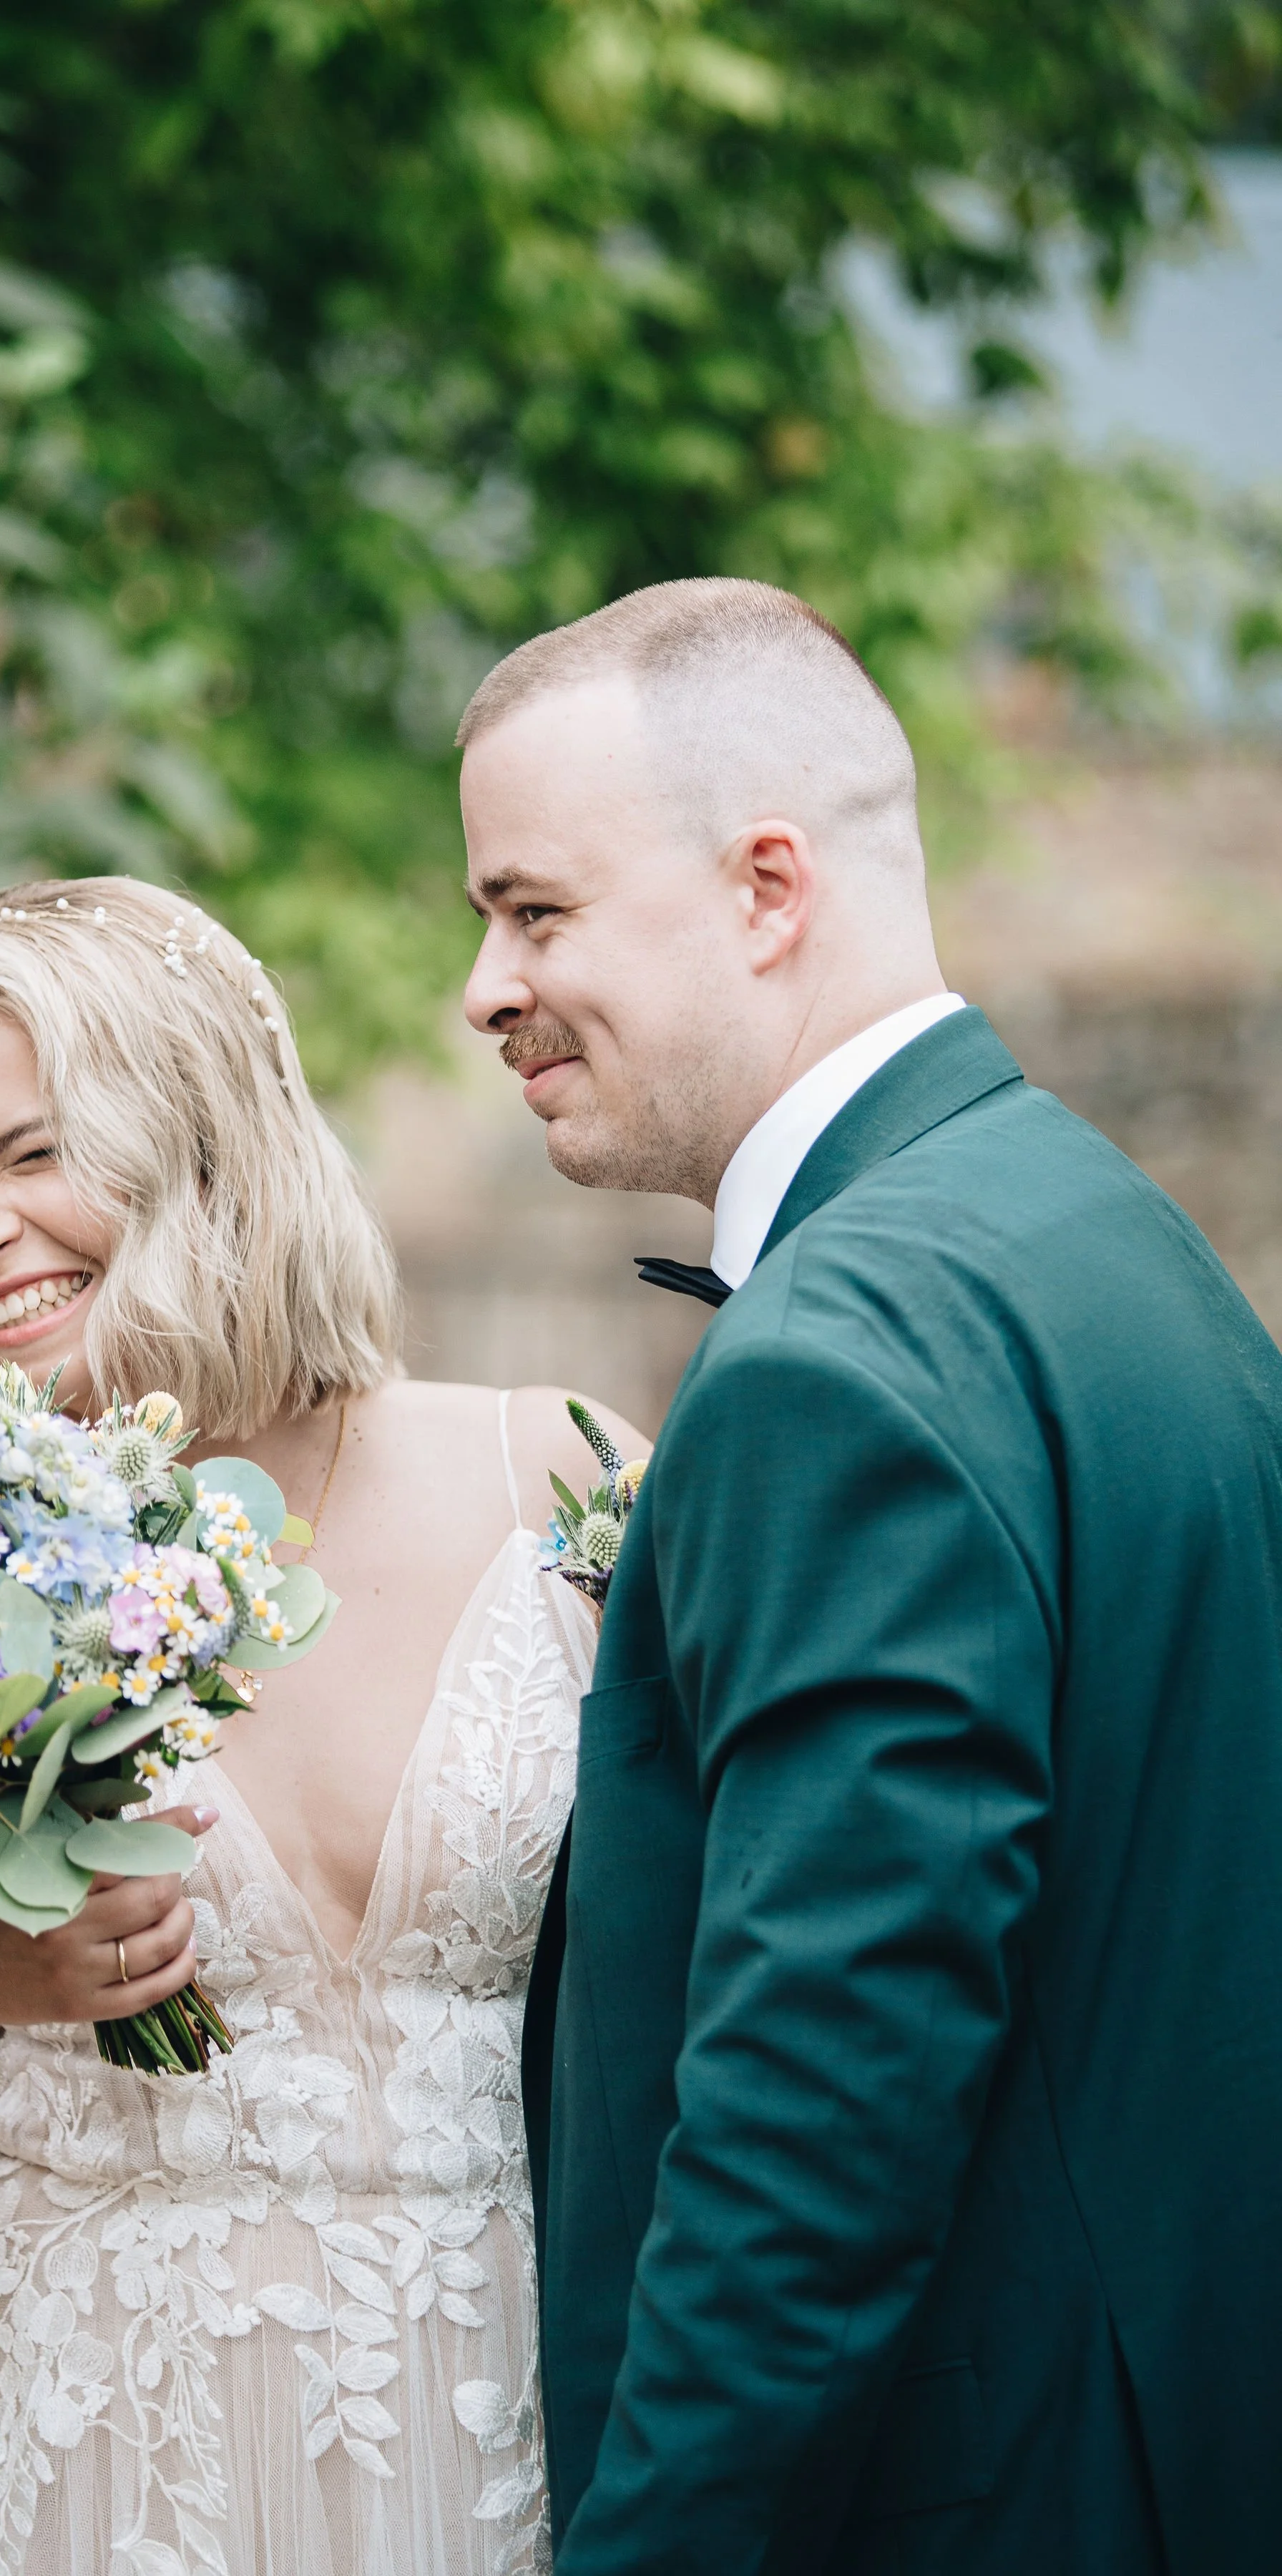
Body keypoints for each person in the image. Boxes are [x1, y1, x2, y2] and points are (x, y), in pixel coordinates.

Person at [459, 577, 1282, 2576]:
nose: (479, 992)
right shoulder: (1112, 1240)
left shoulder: (840, 1352)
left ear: (765, 887)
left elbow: (825, 2094)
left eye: (533, 910)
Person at [0, 877, 638, 2576]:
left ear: (210, 1138)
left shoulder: (558, 1473)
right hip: (95, 2463)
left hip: (515, 2441)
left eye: (32, 1154)